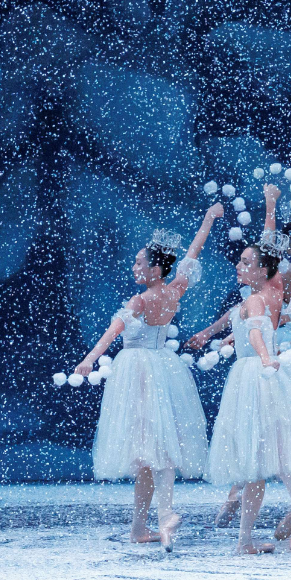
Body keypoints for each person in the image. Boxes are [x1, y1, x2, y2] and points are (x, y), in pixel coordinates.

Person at [73, 203, 223, 551]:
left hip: (140, 373)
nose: (134, 267)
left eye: (140, 263)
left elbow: (113, 332)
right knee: (150, 451)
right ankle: (142, 527)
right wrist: (208, 219)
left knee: (154, 449)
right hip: (161, 367)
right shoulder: (174, 291)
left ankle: (165, 514)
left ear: (155, 269)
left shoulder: (141, 299)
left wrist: (89, 360)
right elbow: (193, 254)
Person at [201, 229, 291, 558]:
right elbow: (253, 327)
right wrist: (233, 339)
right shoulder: (261, 297)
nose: (239, 267)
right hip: (264, 375)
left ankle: (267, 534)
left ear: (262, 270)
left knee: (263, 463)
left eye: (246, 263)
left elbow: (256, 332)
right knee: (277, 461)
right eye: (240, 262)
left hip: (257, 376)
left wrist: (263, 355)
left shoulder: (257, 298)